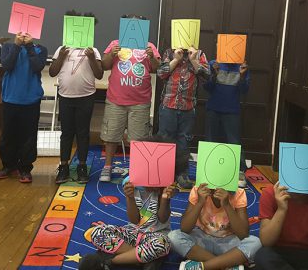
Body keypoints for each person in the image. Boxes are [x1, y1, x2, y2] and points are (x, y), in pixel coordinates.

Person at [79, 135, 190, 270]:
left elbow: (163, 218)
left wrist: (165, 198)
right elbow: (133, 219)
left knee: (163, 244)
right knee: (97, 232)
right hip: (133, 234)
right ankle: (140, 258)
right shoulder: (133, 185)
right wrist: (129, 197)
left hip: (156, 237)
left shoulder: (165, 188)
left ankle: (112, 261)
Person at [99, 14, 161, 182]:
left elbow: (157, 69)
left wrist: (151, 57)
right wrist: (112, 54)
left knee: (138, 139)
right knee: (111, 136)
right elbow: (104, 66)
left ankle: (136, 169)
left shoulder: (149, 46)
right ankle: (107, 167)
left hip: (140, 102)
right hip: (115, 100)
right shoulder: (115, 44)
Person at [49, 10, 103, 184]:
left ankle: (81, 167)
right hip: (65, 97)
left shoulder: (92, 50)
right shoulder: (62, 48)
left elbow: (100, 74)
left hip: (85, 97)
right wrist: (62, 56)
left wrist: (91, 58)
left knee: (82, 133)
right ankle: (63, 167)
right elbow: (52, 72)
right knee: (66, 133)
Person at [168, 183, 261, 270]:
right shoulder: (198, 190)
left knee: (255, 243)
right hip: (202, 238)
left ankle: (204, 266)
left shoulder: (238, 193)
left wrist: (227, 205)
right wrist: (200, 202)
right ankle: (225, 264)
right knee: (173, 236)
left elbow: (243, 234)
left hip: (228, 242)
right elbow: (185, 228)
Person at [0, 32, 47, 183]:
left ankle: (25, 168)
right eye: (21, 32)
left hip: (31, 99)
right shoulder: (8, 47)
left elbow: (37, 67)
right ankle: (8, 166)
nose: (24, 34)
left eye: (28, 32)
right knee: (8, 135)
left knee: (28, 137)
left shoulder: (40, 49)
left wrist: (30, 47)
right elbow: (7, 65)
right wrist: (17, 46)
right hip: (10, 98)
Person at [254, 182, 308, 270]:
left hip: (305, 254)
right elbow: (266, 241)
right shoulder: (271, 193)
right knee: (262, 256)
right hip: (278, 252)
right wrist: (281, 209)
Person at [157, 46, 210, 189]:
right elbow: (161, 73)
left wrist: (193, 60)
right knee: (165, 140)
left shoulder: (199, 53)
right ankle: (164, 173)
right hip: (168, 105)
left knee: (184, 141)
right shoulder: (169, 52)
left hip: (188, 107)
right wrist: (176, 59)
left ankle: (182, 174)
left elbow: (207, 75)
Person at [204, 60, 250, 188]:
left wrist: (241, 75)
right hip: (213, 108)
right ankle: (208, 171)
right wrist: (214, 73)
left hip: (232, 110)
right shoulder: (213, 63)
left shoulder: (242, 65)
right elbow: (206, 87)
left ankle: (240, 171)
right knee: (210, 141)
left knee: (234, 142)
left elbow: (245, 90)